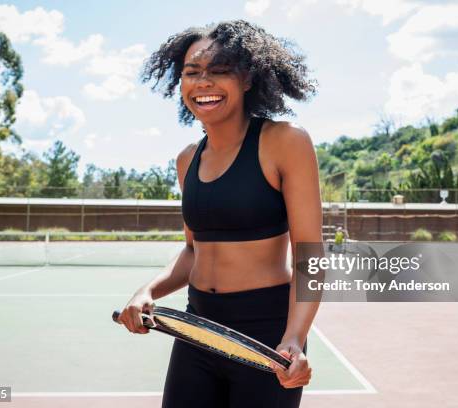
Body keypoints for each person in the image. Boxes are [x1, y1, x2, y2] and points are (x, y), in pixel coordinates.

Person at [117, 20, 322, 408]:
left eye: (219, 71)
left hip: (266, 335)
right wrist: (148, 291)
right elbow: (194, 251)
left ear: (246, 79)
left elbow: (310, 255)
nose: (203, 83)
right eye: (192, 73)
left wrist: (295, 337)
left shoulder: (285, 142)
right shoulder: (187, 160)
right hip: (198, 327)